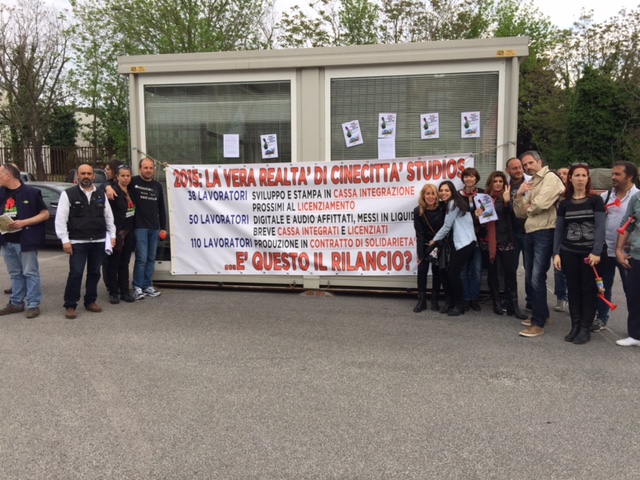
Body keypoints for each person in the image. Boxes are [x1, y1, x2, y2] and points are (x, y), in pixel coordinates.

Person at [513, 151, 565, 338]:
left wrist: (529, 206)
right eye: (524, 165)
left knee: (536, 276)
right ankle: (542, 314)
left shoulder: (550, 178)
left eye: (530, 163)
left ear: (539, 162)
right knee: (531, 276)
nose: (527, 167)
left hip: (545, 231)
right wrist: (520, 194)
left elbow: (540, 204)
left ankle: (538, 323)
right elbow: (519, 212)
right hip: (530, 231)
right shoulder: (532, 182)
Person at [552, 164, 605, 344]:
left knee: (589, 291)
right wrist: (556, 253)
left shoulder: (595, 200)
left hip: (590, 255)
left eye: (584, 175)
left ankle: (585, 328)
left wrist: (596, 251)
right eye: (577, 175)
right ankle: (575, 325)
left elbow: (600, 227)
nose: (580, 179)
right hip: (569, 252)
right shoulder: (564, 204)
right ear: (570, 178)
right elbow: (559, 230)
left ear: (588, 178)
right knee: (573, 290)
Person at [55, 164, 116, 319]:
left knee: (94, 273)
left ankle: (90, 301)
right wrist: (65, 240)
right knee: (76, 273)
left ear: (93, 176)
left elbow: (108, 217)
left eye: (89, 173)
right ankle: (70, 305)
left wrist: (112, 236)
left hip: (99, 240)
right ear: (77, 175)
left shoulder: (101, 194)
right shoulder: (68, 194)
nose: (86, 176)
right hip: (77, 242)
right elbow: (60, 219)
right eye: (83, 173)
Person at [108, 158, 167, 300]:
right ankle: (137, 287)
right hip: (139, 227)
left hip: (154, 228)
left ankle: (147, 285)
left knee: (151, 259)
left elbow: (161, 207)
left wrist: (163, 228)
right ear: (140, 169)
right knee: (141, 259)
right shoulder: (133, 181)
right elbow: (113, 183)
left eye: (151, 168)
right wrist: (107, 187)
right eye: (145, 167)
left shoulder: (157, 186)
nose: (148, 170)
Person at [592, 161, 639, 332]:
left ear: (630, 177)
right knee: (603, 287)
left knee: (632, 290)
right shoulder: (606, 196)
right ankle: (601, 318)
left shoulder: (638, 197)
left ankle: (635, 328)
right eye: (613, 174)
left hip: (628, 252)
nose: (613, 177)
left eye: (617, 174)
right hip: (606, 249)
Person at [476, 171, 527, 320]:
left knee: (510, 272)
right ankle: (496, 303)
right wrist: (477, 215)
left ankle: (513, 305)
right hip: (488, 240)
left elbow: (514, 215)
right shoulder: (484, 198)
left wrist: (506, 202)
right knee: (492, 273)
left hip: (505, 238)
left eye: (500, 181)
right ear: (490, 183)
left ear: (504, 184)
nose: (498, 184)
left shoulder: (509, 197)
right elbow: (482, 221)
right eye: (495, 181)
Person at [0, 163, 49, 318]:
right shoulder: (1, 193)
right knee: (15, 273)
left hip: (25, 240)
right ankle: (16, 303)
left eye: (0, 174)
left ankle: (33, 304)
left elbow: (45, 214)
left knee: (30, 272)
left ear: (8, 175)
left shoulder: (31, 193)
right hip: (6, 240)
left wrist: (24, 222)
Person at [429, 181, 477, 316]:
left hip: (465, 243)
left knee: (453, 274)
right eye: (441, 190)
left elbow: (447, 226)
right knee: (446, 272)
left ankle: (459, 304)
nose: (443, 193)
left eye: (447, 190)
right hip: (459, 243)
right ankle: (451, 302)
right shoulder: (452, 203)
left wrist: (434, 239)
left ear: (452, 192)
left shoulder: (453, 203)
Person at [105, 165, 136, 304]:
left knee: (125, 262)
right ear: (117, 176)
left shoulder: (131, 190)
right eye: (122, 175)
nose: (126, 178)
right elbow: (107, 214)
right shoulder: (113, 191)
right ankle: (113, 292)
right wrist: (112, 233)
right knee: (113, 263)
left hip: (129, 232)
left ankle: (125, 291)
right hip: (117, 233)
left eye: (128, 175)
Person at [412, 183, 445, 312]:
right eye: (428, 194)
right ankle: (421, 300)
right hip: (425, 246)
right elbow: (419, 234)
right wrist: (420, 255)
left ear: (437, 196)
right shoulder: (418, 211)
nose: (430, 196)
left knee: (437, 272)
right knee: (422, 271)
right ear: (423, 196)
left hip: (438, 245)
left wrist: (436, 242)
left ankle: (434, 299)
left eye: (433, 194)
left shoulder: (442, 208)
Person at [615, 190, 640, 347]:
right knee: (635, 296)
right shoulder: (637, 198)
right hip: (637, 255)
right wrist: (619, 249)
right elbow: (627, 225)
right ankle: (636, 335)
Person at [458, 167, 483, 311]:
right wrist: (474, 216)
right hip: (462, 239)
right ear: (463, 179)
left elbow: (489, 215)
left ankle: (474, 298)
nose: (469, 179)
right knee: (463, 270)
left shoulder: (483, 194)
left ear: (476, 178)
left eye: (472, 176)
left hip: (478, 239)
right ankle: (466, 298)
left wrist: (482, 215)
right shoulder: (457, 195)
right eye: (466, 176)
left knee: (476, 271)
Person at [553, 167, 570, 313]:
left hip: (571, 235)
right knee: (558, 269)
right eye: (559, 174)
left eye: (565, 174)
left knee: (573, 270)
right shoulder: (554, 193)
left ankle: (573, 298)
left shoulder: (573, 195)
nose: (562, 176)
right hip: (556, 233)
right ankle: (561, 297)